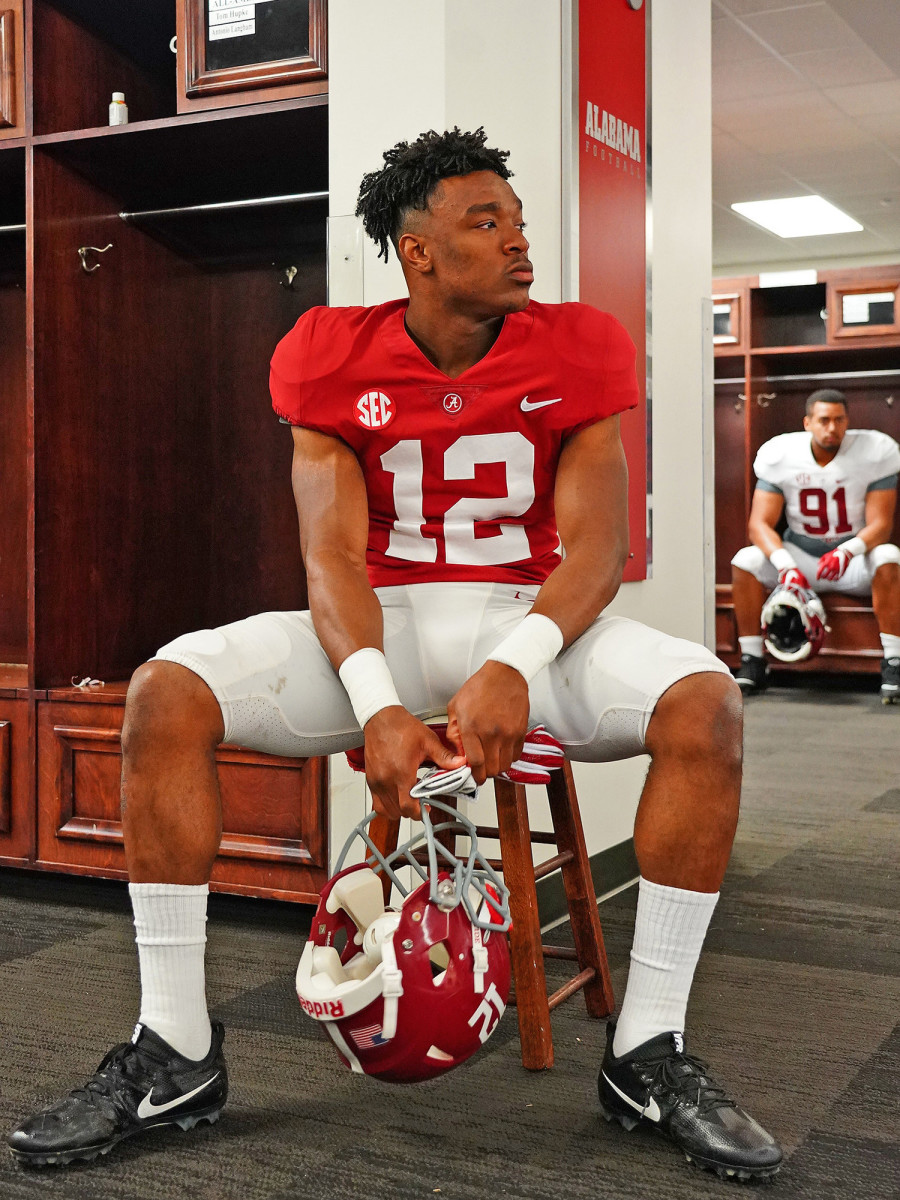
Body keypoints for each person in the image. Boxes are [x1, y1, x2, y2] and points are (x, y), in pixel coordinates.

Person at [8, 128, 782, 1181]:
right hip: (382, 621)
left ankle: (648, 1050)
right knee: (166, 693)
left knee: (707, 704)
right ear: (417, 252)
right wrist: (375, 701)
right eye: (486, 222)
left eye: (517, 220)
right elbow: (329, 557)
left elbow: (599, 548)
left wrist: (518, 661)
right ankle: (174, 1049)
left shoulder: (577, 343)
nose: (519, 241)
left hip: (528, 620)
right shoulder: (330, 349)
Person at [731, 388, 900, 700]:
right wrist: (787, 567)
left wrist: (847, 551)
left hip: (850, 559)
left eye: (839, 420)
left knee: (889, 556)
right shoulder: (781, 454)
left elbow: (881, 525)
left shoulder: (875, 451)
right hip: (801, 556)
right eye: (824, 420)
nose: (832, 428)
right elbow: (758, 524)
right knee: (746, 560)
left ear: (847, 421)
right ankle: (752, 660)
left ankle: (894, 660)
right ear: (807, 422)